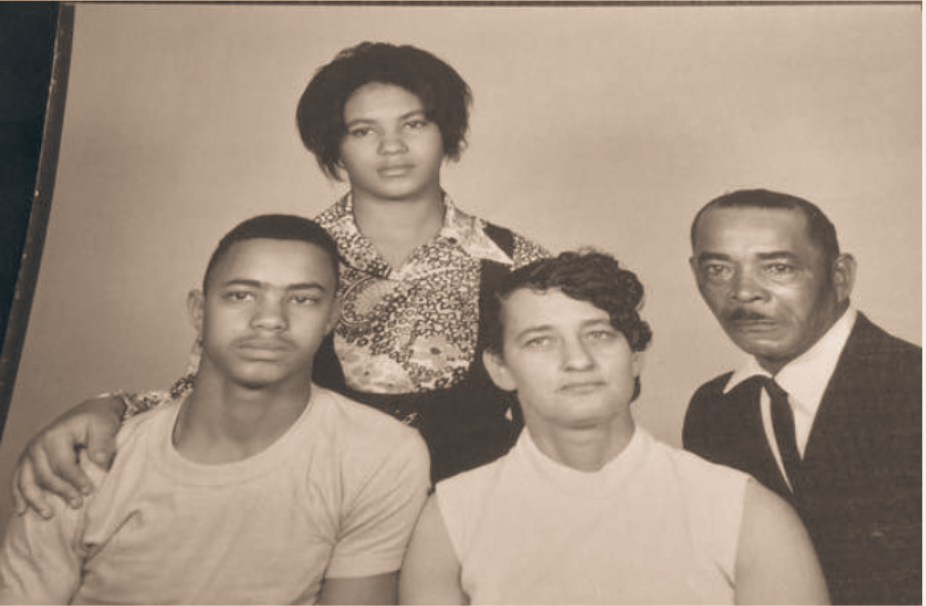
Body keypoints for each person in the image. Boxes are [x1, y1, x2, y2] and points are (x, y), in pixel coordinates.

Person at [10, 41, 549, 518]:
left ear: (446, 131)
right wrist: (109, 406)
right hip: (310, 522)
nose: (392, 147)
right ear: (334, 147)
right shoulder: (285, 262)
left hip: (481, 523)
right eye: (364, 130)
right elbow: (204, 391)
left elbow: (569, 399)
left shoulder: (518, 263)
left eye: (414, 124)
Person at [0, 214, 430, 604]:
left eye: (302, 299)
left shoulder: (381, 454)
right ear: (198, 310)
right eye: (242, 295)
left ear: (333, 316)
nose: (270, 319)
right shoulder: (79, 460)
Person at [399, 250, 829, 605]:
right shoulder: (451, 517)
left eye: (600, 335)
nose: (578, 360)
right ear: (499, 368)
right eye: (540, 341)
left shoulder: (745, 512)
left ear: (636, 354)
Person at [683, 189, 921, 605]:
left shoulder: (914, 388)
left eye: (778, 267)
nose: (743, 292)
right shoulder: (712, 410)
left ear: (841, 275)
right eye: (718, 269)